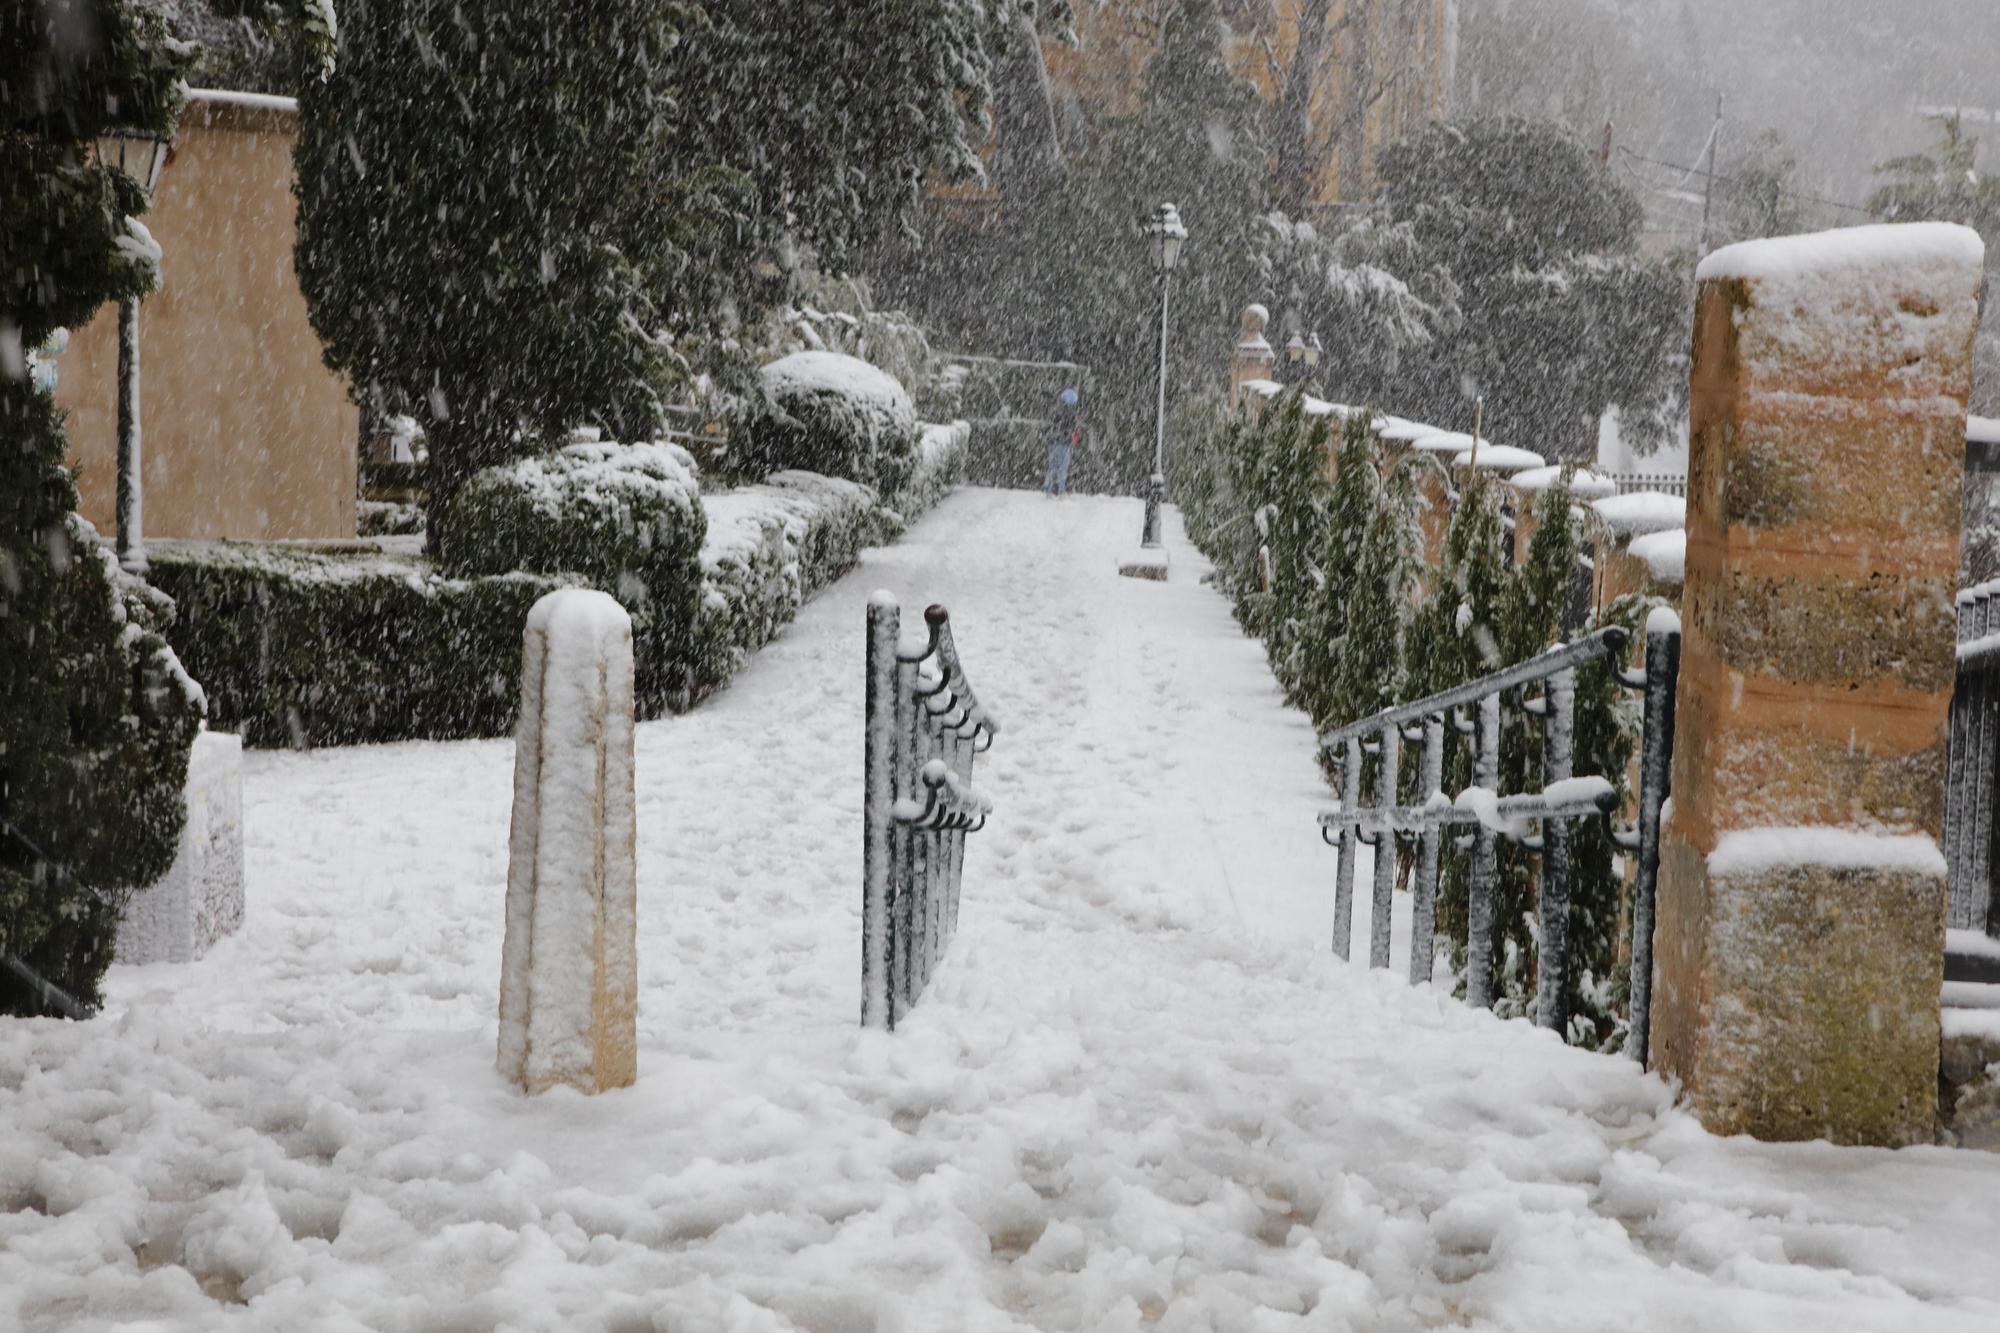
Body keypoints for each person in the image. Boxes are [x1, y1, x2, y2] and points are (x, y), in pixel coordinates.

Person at [1045, 386, 1081, 496]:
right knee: (1063, 467)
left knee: (1052, 466)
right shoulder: (1070, 412)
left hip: (1052, 441)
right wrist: (1075, 436)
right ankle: (1061, 490)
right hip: (1064, 442)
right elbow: (1073, 428)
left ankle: (1049, 489)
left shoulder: (1055, 409)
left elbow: (1052, 424)